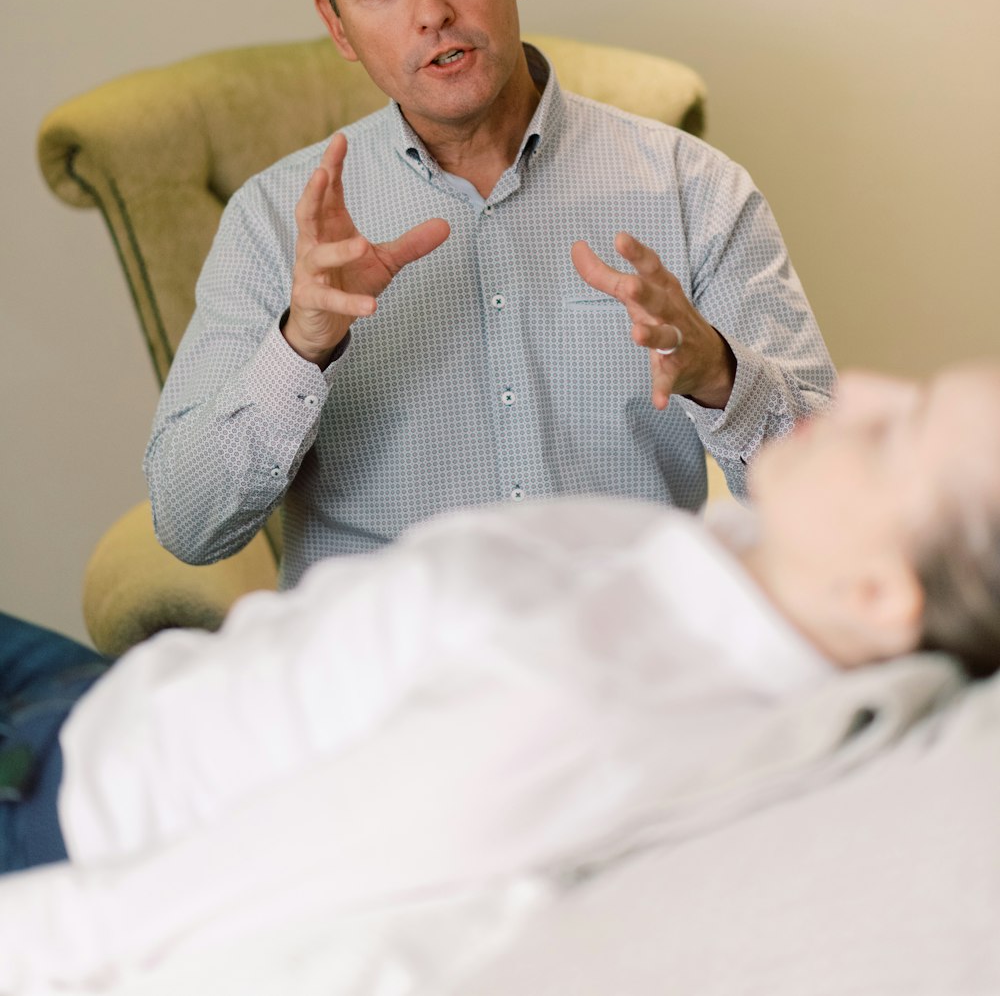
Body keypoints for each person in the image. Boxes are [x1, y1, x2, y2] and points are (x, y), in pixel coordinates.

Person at [1, 362, 999, 991]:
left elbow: (192, 901)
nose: (850, 386)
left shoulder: (588, 712)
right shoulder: (720, 555)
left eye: (889, 436)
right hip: (115, 700)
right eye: (912, 383)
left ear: (877, 594)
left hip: (52, 807)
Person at [144, 0, 834, 583]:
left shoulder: (691, 188)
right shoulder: (274, 219)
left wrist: (718, 374)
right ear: (336, 26)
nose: (431, 10)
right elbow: (187, 522)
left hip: (624, 664)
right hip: (393, 679)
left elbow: (835, 493)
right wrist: (301, 344)